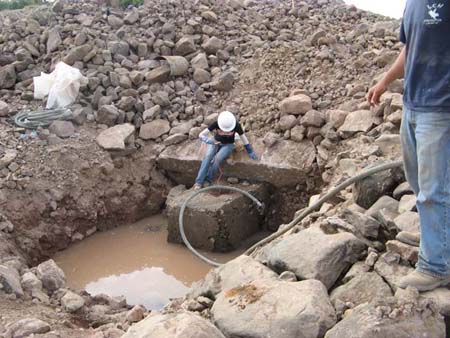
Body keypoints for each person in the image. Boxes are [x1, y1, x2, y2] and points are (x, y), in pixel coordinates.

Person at [367, 1, 450, 291]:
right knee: (418, 183)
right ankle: (437, 238)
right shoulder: (414, 3)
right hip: (413, 105)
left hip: (441, 108)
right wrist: (384, 80)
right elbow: (409, 48)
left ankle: (436, 266)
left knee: (433, 190)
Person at [193, 111, 258, 190]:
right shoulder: (217, 123)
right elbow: (201, 134)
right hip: (215, 141)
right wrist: (207, 140)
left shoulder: (236, 126)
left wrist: (249, 150)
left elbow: (243, 138)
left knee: (217, 159)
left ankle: (208, 179)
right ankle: (198, 182)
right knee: (207, 157)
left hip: (228, 145)